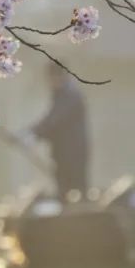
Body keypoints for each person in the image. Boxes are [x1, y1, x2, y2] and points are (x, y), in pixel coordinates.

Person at [32, 63, 90, 203]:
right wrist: (33, 132)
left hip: (72, 152)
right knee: (64, 189)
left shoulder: (70, 95)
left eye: (51, 78)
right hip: (62, 152)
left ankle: (80, 217)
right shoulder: (61, 94)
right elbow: (50, 118)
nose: (49, 83)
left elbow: (55, 120)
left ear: (59, 77)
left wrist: (34, 133)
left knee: (76, 187)